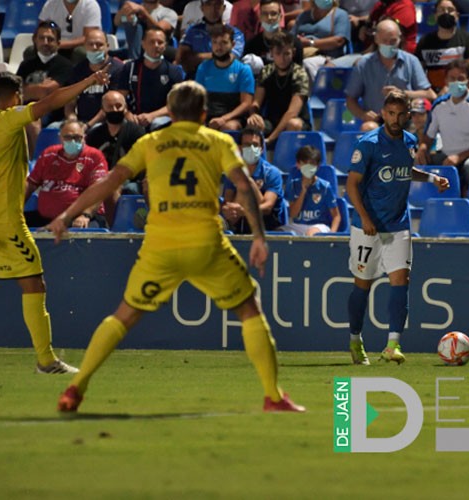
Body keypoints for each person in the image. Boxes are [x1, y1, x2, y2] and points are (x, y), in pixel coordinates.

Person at [47, 81, 305, 413]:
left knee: (123, 315)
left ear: (169, 112)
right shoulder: (218, 140)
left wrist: (67, 216)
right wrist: (258, 237)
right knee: (248, 312)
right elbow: (243, 186)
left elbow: (110, 181)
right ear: (202, 113)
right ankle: (273, 395)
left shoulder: (152, 141)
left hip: (161, 246)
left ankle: (75, 388)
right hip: (206, 244)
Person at [0, 68, 109, 374]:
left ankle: (46, 359)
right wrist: (87, 82)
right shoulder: (7, 120)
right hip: (5, 224)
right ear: (14, 98)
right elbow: (50, 100)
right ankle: (45, 360)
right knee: (33, 283)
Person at [346, 90, 450, 365]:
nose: (395, 118)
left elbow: (405, 170)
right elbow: (352, 184)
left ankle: (393, 345)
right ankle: (355, 340)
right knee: (362, 287)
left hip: (398, 224)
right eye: (390, 113)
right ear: (383, 113)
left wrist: (431, 178)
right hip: (367, 226)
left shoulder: (410, 142)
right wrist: (365, 217)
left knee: (401, 281)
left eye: (400, 114)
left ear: (408, 114)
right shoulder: (368, 144)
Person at [345, 19, 435, 131]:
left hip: (407, 121)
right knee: (368, 128)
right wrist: (363, 114)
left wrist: (403, 93)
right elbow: (350, 99)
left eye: (393, 41)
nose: (388, 45)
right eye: (384, 41)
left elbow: (430, 95)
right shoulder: (364, 64)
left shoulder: (411, 61)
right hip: (377, 121)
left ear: (399, 39)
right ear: (376, 39)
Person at [415, 59, 469, 193]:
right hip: (447, 155)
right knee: (418, 162)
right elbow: (428, 136)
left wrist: (460, 156)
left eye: (460, 78)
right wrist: (422, 148)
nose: (456, 82)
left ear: (468, 80)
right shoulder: (439, 105)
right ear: (446, 80)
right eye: (452, 78)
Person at [25, 118, 109, 229]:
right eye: (68, 137)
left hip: (81, 218)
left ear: (84, 138)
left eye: (77, 138)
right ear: (60, 138)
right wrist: (15, 210)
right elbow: (30, 184)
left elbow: (99, 191)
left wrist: (85, 215)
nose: (73, 141)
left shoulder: (94, 157)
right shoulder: (48, 154)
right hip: (46, 218)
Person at [17, 21, 75, 156]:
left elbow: (47, 91)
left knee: (32, 122)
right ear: (35, 41)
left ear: (58, 43)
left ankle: (37, 162)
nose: (45, 42)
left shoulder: (64, 65)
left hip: (52, 112)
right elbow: (17, 93)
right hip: (25, 109)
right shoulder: (25, 65)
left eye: (50, 39)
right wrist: (40, 89)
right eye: (41, 38)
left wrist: (29, 89)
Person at [247, 31, 310, 145]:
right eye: (278, 53)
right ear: (272, 53)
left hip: (296, 121)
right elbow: (256, 102)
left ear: (293, 53)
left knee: (293, 124)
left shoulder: (300, 74)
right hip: (272, 120)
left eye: (286, 54)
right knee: (253, 123)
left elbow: (292, 112)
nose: (282, 58)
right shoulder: (267, 71)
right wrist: (254, 115)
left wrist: (272, 138)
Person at [117, 27, 186, 131]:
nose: (156, 46)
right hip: (134, 118)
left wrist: (152, 116)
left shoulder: (174, 71)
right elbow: (120, 98)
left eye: (160, 42)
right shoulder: (130, 68)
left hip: (161, 118)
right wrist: (127, 114)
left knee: (157, 124)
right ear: (143, 44)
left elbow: (177, 104)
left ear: (165, 46)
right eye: (152, 42)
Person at [221, 128, 287, 232]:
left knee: (248, 182)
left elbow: (267, 207)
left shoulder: (271, 172)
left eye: (255, 145)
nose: (251, 148)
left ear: (261, 149)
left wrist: (244, 211)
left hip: (267, 223)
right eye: (247, 145)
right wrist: (227, 209)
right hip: (239, 221)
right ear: (239, 148)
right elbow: (227, 201)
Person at [85, 91, 147, 198]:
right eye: (109, 107)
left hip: (128, 179)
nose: (114, 110)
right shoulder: (94, 135)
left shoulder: (136, 132)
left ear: (125, 108)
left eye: (118, 106)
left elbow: (141, 165)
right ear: (103, 110)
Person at [195, 25, 255, 131]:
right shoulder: (203, 67)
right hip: (209, 116)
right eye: (215, 42)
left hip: (233, 117)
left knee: (229, 127)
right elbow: (198, 99)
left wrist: (223, 119)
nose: (219, 47)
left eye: (224, 42)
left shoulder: (243, 70)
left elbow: (246, 103)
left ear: (233, 44)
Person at [414, 0, 469, 92]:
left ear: (457, 15)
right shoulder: (425, 42)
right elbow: (417, 74)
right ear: (435, 15)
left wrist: (453, 91)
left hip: (459, 92)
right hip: (433, 93)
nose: (446, 13)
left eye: (450, 10)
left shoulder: (467, 39)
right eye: (441, 10)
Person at [65, 28, 125, 128]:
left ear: (107, 47)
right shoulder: (78, 69)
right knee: (55, 128)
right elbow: (70, 103)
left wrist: (88, 125)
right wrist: (72, 119)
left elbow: (113, 106)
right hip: (81, 121)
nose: (94, 47)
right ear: (85, 46)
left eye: (99, 44)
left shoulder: (118, 69)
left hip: (106, 122)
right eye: (90, 44)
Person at [177, 0, 245, 78]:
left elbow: (231, 57)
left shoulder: (236, 33)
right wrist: (219, 55)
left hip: (225, 77)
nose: (213, 9)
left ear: (224, 8)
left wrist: (198, 57)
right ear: (202, 8)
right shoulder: (192, 30)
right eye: (208, 4)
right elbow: (182, 58)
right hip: (196, 78)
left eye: (217, 4)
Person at [283, 145, 342, 235]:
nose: (308, 167)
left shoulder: (325, 187)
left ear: (317, 166)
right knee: (279, 232)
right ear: (298, 165)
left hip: (319, 226)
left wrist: (331, 234)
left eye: (312, 164)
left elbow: (336, 216)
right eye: (305, 163)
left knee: (311, 233)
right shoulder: (293, 185)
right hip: (298, 225)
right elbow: (293, 214)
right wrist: (303, 191)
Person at [242, 0, 304, 77]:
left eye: (273, 13)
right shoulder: (251, 45)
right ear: (260, 17)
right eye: (265, 14)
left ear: (280, 17)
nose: (269, 18)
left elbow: (298, 74)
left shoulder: (294, 43)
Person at [114, 0, 179, 61]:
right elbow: (117, 22)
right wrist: (122, 11)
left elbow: (160, 29)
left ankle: (134, 61)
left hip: (155, 50)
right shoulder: (134, 9)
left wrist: (143, 12)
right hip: (129, 49)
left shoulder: (169, 13)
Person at [38, 0, 102, 60]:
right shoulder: (51, 3)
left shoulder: (91, 5)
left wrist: (59, 44)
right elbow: (41, 30)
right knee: (33, 50)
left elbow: (89, 37)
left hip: (80, 45)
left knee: (81, 52)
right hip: (55, 44)